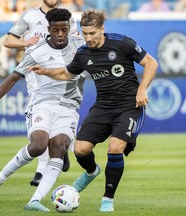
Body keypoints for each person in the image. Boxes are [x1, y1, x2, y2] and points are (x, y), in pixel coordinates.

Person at [29, 9, 158, 212]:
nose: (88, 38)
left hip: (129, 107)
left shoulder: (122, 43)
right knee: (79, 150)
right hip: (103, 106)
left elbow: (151, 63)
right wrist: (45, 71)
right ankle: (91, 172)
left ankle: (108, 198)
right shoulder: (83, 53)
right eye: (85, 33)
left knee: (115, 148)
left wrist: (142, 89)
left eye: (92, 33)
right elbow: (66, 74)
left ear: (102, 29)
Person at [0, 8, 86, 212]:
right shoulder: (36, 50)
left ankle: (35, 201)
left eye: (64, 29)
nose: (60, 34)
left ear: (69, 29)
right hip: (42, 103)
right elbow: (12, 78)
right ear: (48, 29)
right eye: (56, 30)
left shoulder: (80, 46)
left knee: (59, 146)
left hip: (69, 107)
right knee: (38, 146)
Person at [4, 0, 79, 187]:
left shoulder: (68, 18)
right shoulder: (29, 16)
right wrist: (25, 42)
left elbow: (78, 43)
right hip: (36, 77)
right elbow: (8, 41)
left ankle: (58, 151)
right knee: (41, 126)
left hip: (62, 78)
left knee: (55, 122)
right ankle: (41, 169)